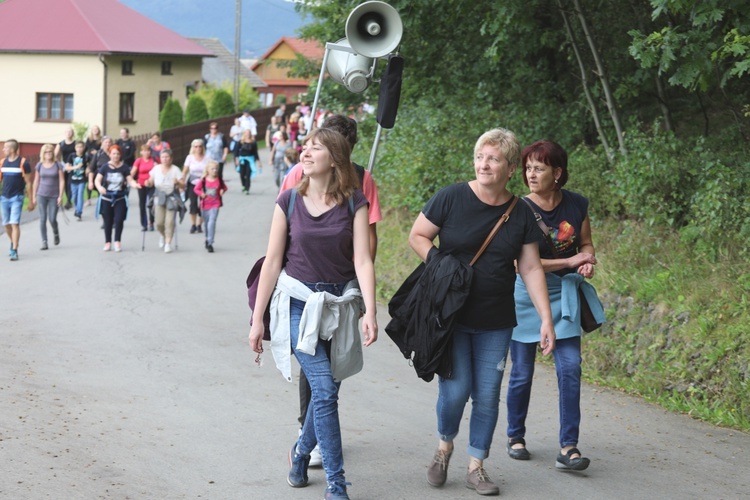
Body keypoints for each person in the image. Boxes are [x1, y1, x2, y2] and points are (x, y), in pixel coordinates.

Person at [408, 128, 556, 496]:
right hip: (452, 316)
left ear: (509, 169)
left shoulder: (520, 212)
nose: (484, 164)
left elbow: (532, 267)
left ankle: (477, 465)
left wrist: (546, 318)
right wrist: (441, 266)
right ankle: (444, 447)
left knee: (488, 394)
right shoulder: (452, 197)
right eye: (480, 157)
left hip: (495, 320)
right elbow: (418, 236)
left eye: (493, 158)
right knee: (456, 391)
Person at [248, 128, 378, 500]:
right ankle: (337, 484)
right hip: (297, 305)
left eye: (314, 148)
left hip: (339, 308)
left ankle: (301, 453)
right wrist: (258, 320)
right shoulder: (288, 200)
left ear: (334, 160)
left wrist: (369, 310)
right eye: (304, 147)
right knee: (323, 390)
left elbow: (362, 259)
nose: (305, 153)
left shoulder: (356, 202)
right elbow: (272, 262)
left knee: (326, 394)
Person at [279, 114, 383, 470]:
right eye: (313, 144)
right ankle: (314, 445)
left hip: (343, 292)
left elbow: (367, 240)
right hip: (302, 293)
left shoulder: (361, 181)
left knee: (331, 378)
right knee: (318, 376)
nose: (310, 152)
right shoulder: (299, 176)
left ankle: (304, 445)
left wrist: (367, 301)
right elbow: (286, 233)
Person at [505, 140, 602, 472]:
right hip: (527, 295)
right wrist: (571, 259)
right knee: (521, 373)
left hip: (565, 295)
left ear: (557, 173)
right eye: (528, 168)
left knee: (570, 368)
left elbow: (585, 242)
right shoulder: (518, 208)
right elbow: (522, 264)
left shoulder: (576, 204)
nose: (531, 174)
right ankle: (515, 436)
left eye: (539, 168)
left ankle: (569, 446)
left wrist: (585, 261)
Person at [94, 144, 140, 252]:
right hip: (106, 198)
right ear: (110, 154)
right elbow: (97, 180)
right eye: (113, 153)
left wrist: (135, 185)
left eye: (118, 154)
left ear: (120, 155)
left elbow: (130, 180)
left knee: (119, 220)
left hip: (120, 197)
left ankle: (117, 241)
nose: (116, 156)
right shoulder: (104, 167)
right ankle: (108, 242)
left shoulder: (124, 167)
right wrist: (100, 188)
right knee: (108, 221)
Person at [1, 139, 34, 261]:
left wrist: (31, 201)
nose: (3, 149)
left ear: (12, 149)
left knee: (14, 223)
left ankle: (14, 250)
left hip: (17, 197)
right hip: (4, 197)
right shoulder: (2, 163)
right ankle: (13, 242)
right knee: (6, 225)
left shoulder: (23, 163)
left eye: (5, 147)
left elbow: (28, 183)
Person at [145, 148, 183, 254]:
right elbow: (151, 181)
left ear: (171, 158)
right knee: (159, 222)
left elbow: (183, 185)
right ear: (160, 158)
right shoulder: (156, 169)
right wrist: (148, 182)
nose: (165, 159)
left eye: (167, 157)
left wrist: (178, 183)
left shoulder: (175, 169)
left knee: (169, 222)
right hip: (159, 196)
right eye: (163, 157)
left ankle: (167, 243)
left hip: (171, 197)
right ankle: (163, 235)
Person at [31, 144, 65, 250]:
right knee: (42, 219)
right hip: (41, 194)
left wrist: (60, 195)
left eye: (50, 152)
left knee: (52, 218)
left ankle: (55, 232)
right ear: (43, 154)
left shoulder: (57, 164)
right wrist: (33, 196)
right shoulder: (39, 165)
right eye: (46, 152)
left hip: (54, 196)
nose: (48, 154)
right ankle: (44, 241)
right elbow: (36, 181)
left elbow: (62, 180)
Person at [194, 160, 227, 253]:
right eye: (212, 169)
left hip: (215, 204)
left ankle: (210, 242)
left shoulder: (219, 179)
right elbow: (196, 189)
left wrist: (222, 191)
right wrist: (201, 194)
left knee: (212, 222)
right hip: (205, 205)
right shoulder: (203, 180)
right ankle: (207, 238)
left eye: (216, 168)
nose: (215, 170)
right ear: (208, 170)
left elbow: (224, 187)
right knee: (206, 223)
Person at [181, 139, 209, 234]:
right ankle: (193, 224)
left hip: (203, 183)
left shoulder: (207, 158)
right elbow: (185, 171)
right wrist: (182, 182)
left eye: (200, 146)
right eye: (196, 146)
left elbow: (211, 170)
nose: (198, 148)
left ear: (202, 147)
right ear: (193, 148)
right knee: (193, 203)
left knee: (203, 204)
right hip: (192, 183)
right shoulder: (190, 157)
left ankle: (199, 224)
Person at [131, 144, 156, 231]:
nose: (146, 152)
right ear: (141, 152)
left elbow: (157, 171)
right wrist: (129, 180)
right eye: (144, 151)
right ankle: (144, 224)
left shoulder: (154, 160)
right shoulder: (138, 161)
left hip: (151, 184)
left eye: (148, 150)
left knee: (151, 204)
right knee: (142, 204)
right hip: (141, 184)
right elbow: (133, 172)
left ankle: (151, 222)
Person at [64, 141, 88, 221]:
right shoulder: (72, 156)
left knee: (80, 195)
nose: (79, 149)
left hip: (82, 179)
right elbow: (67, 168)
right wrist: (76, 167)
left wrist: (88, 169)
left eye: (81, 147)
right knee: (74, 197)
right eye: (78, 147)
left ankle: (79, 212)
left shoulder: (85, 157)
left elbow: (90, 165)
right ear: (75, 148)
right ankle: (77, 209)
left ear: (83, 148)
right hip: (73, 179)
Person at [54, 126, 77, 209]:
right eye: (67, 131)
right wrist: (58, 163)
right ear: (65, 133)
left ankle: (70, 200)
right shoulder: (61, 144)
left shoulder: (76, 143)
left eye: (70, 131)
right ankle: (68, 200)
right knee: (65, 182)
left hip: (74, 165)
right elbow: (55, 155)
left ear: (73, 133)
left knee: (70, 183)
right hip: (64, 165)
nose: (69, 133)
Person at [88, 136, 112, 208]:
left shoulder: (114, 154)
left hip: (112, 181)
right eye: (106, 142)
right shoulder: (98, 154)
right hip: (101, 181)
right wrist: (90, 182)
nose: (108, 144)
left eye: (109, 142)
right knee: (103, 200)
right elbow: (91, 169)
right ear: (102, 143)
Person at [237, 129, 261, 194]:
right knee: (242, 174)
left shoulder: (253, 142)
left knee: (248, 174)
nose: (247, 134)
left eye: (248, 133)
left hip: (250, 160)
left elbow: (255, 152)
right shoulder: (240, 142)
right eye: (246, 133)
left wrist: (259, 162)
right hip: (242, 160)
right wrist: (237, 159)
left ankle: (247, 188)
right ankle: (243, 185)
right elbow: (237, 152)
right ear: (244, 134)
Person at [84, 125, 103, 206]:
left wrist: (97, 152)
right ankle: (88, 199)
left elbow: (102, 149)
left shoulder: (101, 139)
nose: (95, 130)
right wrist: (90, 151)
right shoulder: (89, 139)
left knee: (99, 180)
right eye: (93, 129)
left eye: (96, 129)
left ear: (99, 130)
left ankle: (100, 198)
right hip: (90, 161)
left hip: (98, 161)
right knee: (90, 180)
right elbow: (86, 149)